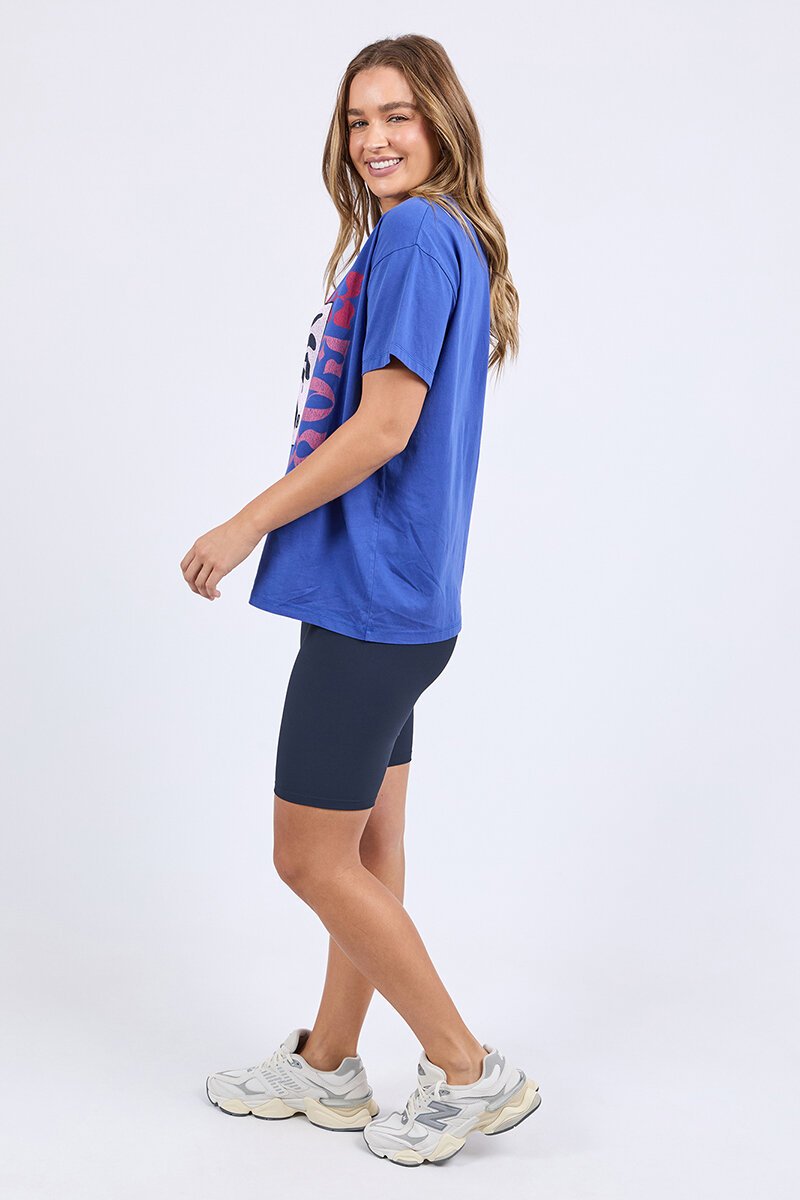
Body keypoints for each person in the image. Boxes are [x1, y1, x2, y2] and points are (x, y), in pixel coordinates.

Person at [179, 34, 540, 1167]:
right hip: (400, 601)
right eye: (356, 120)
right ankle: (329, 1065)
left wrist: (246, 522)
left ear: (441, 123)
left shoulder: (420, 235)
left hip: (371, 606)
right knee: (367, 850)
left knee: (307, 858)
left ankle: (468, 1069)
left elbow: (383, 426)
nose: (374, 138)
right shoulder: (430, 234)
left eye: (397, 115)